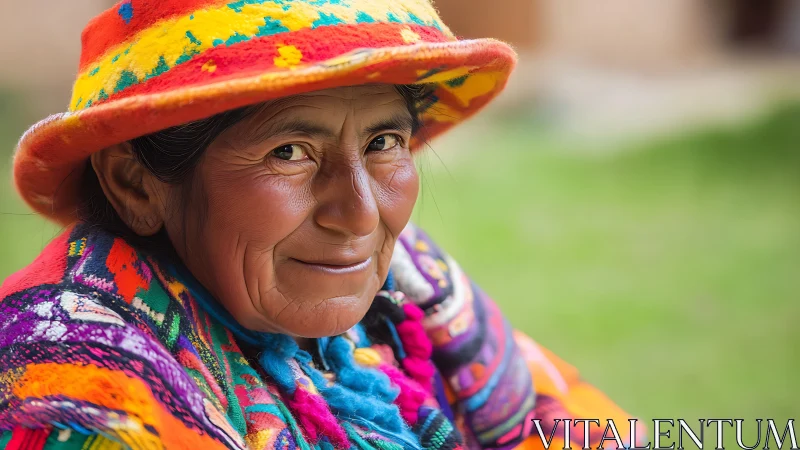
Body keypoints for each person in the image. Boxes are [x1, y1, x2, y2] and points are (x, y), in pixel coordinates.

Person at [0, 1, 645, 449]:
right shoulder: (79, 391)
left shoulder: (410, 286)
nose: (362, 213)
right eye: (289, 152)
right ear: (135, 181)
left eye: (385, 141)